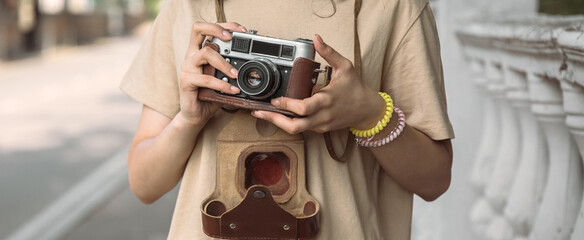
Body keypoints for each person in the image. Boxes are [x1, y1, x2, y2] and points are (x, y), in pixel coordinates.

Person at [121, 0, 454, 239]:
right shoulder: (189, 8)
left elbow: (434, 180)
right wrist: (188, 120)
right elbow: (144, 184)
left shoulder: (391, 7)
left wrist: (369, 113)